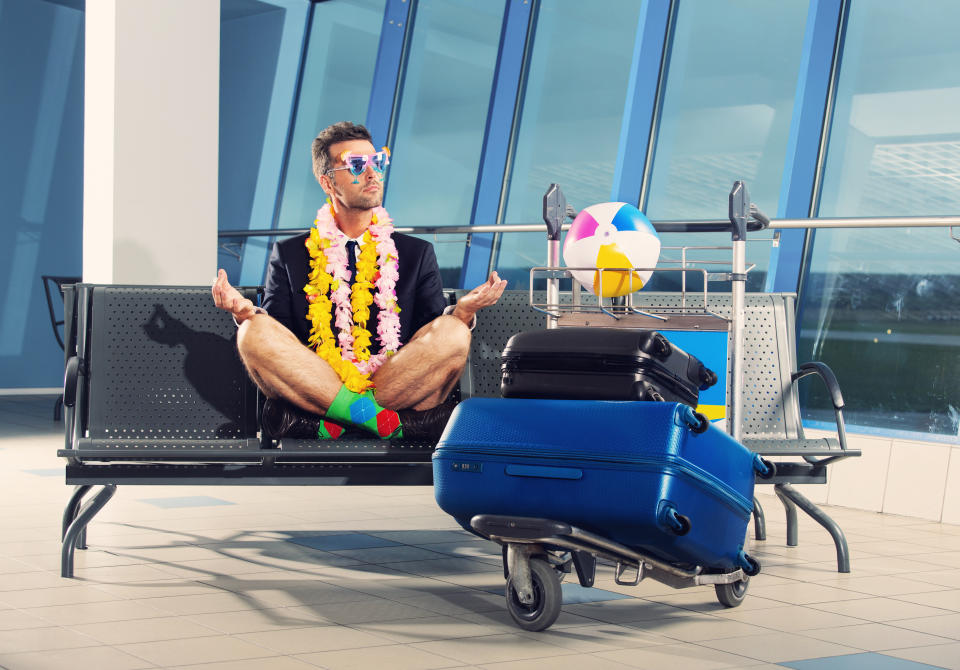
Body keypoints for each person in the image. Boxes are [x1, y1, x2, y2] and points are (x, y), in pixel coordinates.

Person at [212, 121, 506, 440]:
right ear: (327, 182)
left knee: (454, 332)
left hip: (393, 382)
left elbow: (428, 342)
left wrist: (462, 314)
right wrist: (245, 314)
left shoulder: (416, 253)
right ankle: (384, 424)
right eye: (356, 165)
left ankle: (340, 422)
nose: (372, 174)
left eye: (376, 162)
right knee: (252, 332)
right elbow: (280, 340)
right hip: (318, 381)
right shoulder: (290, 254)